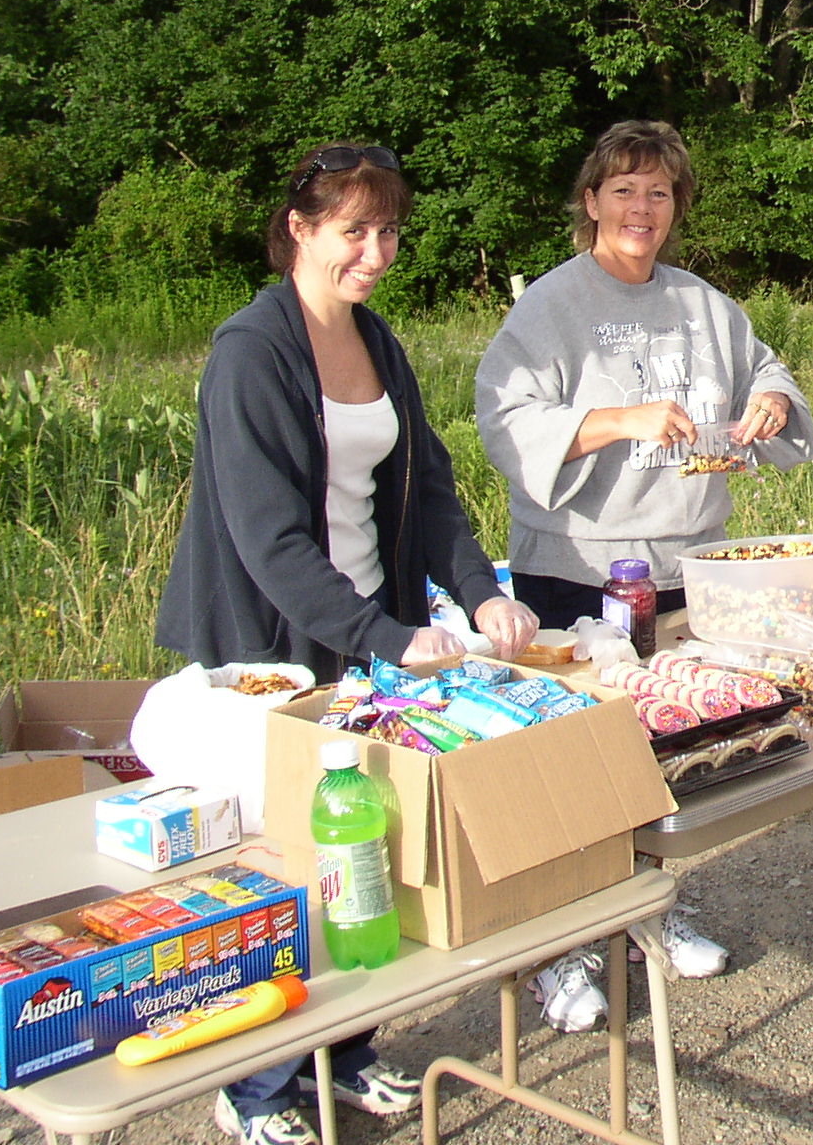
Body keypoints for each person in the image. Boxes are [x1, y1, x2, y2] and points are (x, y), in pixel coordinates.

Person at [157, 141, 539, 1145]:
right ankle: (254, 1088)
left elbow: (428, 487)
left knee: (373, 852)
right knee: (289, 871)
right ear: (299, 229)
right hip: (273, 651)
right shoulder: (250, 353)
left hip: (374, 636)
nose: (375, 253)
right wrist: (386, 638)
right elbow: (269, 542)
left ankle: (348, 1052)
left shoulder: (377, 340)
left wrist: (477, 593)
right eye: (353, 231)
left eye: (389, 231)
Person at [476, 119, 813, 1030]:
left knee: (668, 749)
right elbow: (506, 420)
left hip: (687, 567)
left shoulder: (705, 305)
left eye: (658, 192)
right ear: (591, 202)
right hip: (578, 571)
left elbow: (766, 369)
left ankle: (650, 913)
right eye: (623, 189)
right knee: (576, 758)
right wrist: (621, 419)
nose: (641, 207)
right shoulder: (549, 307)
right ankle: (557, 948)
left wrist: (770, 398)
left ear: (676, 207)